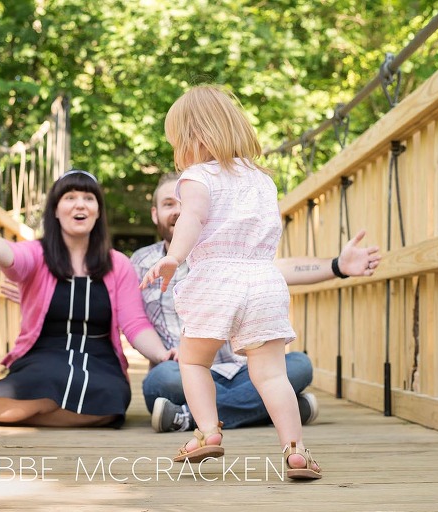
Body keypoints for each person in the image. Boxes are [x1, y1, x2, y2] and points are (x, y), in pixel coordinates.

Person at [0, 170, 175, 428]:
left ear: (98, 211)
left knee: (113, 400)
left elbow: (135, 323)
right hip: (45, 355)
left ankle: (18, 412)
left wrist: (162, 355)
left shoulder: (117, 264)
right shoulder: (38, 255)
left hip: (99, 360)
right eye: (70, 197)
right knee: (48, 378)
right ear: (56, 210)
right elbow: (10, 254)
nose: (80, 204)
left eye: (88, 198)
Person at [141, 85, 327, 479]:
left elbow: (193, 219)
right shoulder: (262, 180)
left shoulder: (196, 177)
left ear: (193, 138)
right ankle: (295, 450)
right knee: (273, 373)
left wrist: (174, 257)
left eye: (178, 141)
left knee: (193, 360)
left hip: (215, 279)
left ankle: (208, 431)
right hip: (262, 279)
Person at [132, 173, 380, 435]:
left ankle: (188, 417)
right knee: (160, 379)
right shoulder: (141, 262)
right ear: (154, 213)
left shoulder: (232, 252)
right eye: (170, 204)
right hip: (183, 370)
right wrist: (161, 353)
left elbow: (283, 268)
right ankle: (278, 409)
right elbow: (133, 319)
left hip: (245, 370)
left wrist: (337, 266)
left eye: (187, 202)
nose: (181, 210)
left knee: (299, 366)